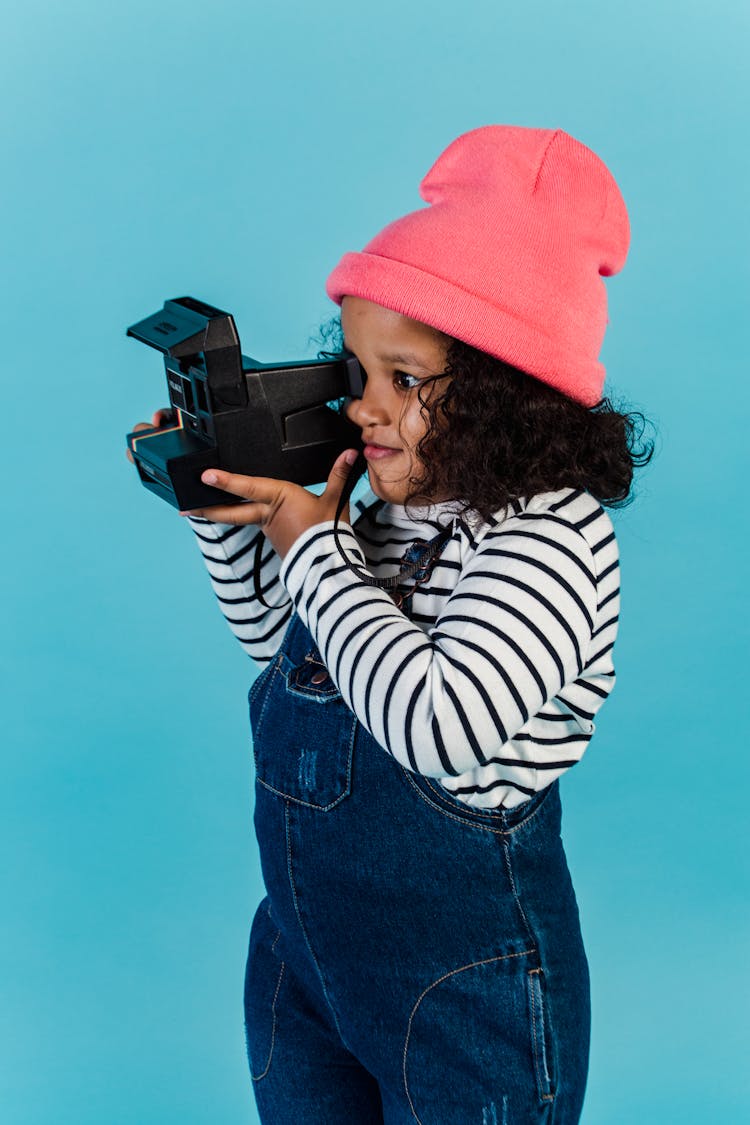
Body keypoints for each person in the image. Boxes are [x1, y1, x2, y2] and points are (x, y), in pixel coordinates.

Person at [131, 125, 652, 1123]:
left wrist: (316, 544)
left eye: (403, 380)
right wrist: (228, 514)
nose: (363, 407)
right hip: (308, 958)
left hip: (463, 978)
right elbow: (288, 643)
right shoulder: (392, 512)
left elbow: (437, 725)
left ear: (508, 398)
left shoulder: (551, 537)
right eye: (358, 370)